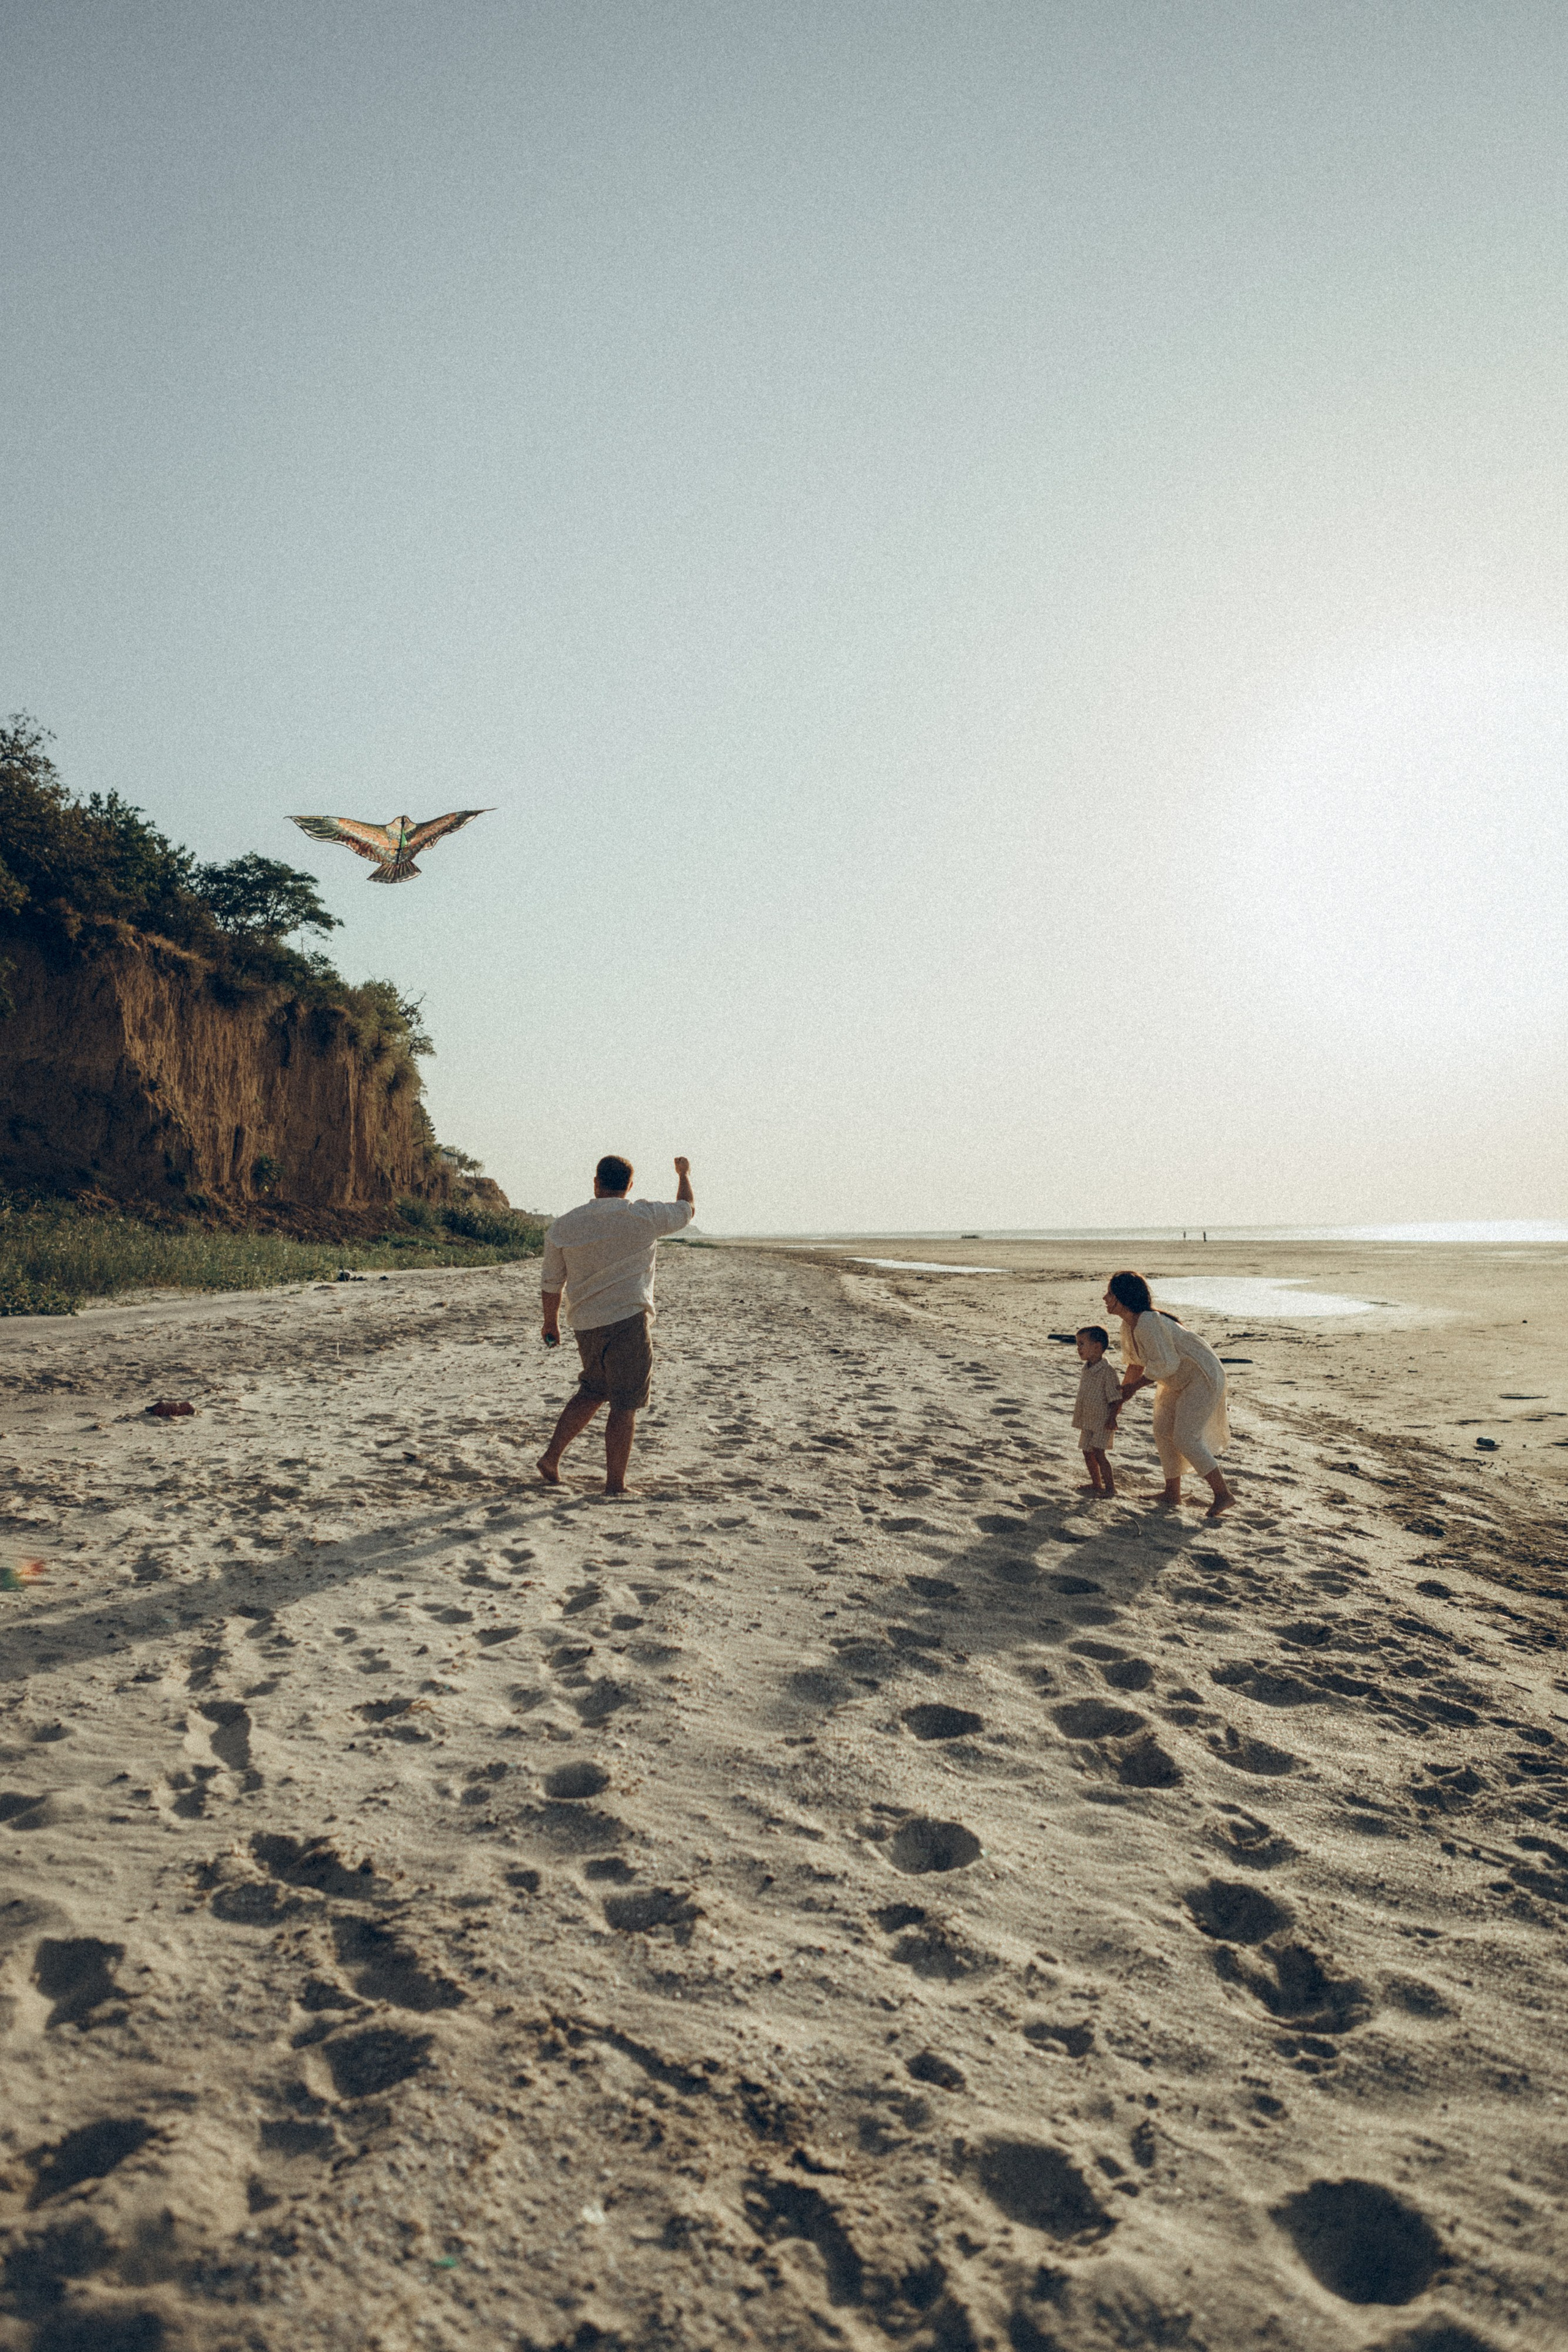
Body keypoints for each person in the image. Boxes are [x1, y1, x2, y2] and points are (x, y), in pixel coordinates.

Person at [537, 1154, 695, 1496]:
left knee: (593, 1391)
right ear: (629, 1186)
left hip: (585, 1322)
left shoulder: (564, 1225)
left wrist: (550, 1322)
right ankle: (615, 1484)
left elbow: (552, 1282)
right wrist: (683, 1174)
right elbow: (686, 1209)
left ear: (595, 1183)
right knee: (624, 1404)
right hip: (627, 1320)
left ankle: (551, 1458)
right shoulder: (642, 1215)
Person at [1101, 1270, 1235, 1517]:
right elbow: (1135, 1365)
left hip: (1201, 1377)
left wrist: (1135, 1387)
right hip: (1176, 1380)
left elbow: (1167, 1364)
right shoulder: (1128, 1325)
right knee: (1163, 1430)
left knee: (1185, 1437)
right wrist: (1119, 1402)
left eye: (1110, 1293)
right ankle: (1172, 1493)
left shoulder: (1148, 1322)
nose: (1105, 1298)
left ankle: (1223, 1495)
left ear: (1122, 1297)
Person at [1071, 1325, 1120, 1497]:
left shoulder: (1108, 1371)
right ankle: (1096, 1483)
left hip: (1102, 1421)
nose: (1078, 1349)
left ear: (1097, 1347)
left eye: (1082, 1344)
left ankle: (1110, 1488)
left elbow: (1116, 1398)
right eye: (1078, 1345)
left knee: (1099, 1453)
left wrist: (1113, 1418)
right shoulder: (1087, 1369)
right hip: (1087, 1419)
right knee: (1087, 1451)